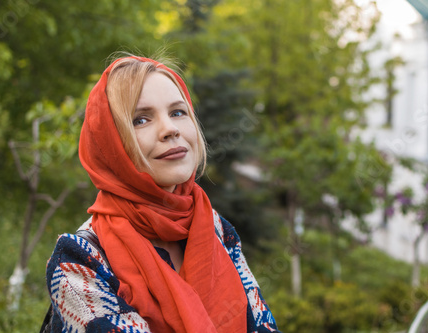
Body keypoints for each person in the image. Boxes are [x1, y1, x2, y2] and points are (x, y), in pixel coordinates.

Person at [45, 55, 280, 333]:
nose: (170, 129)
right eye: (141, 119)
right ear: (111, 144)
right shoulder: (80, 260)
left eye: (178, 112)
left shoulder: (215, 227)